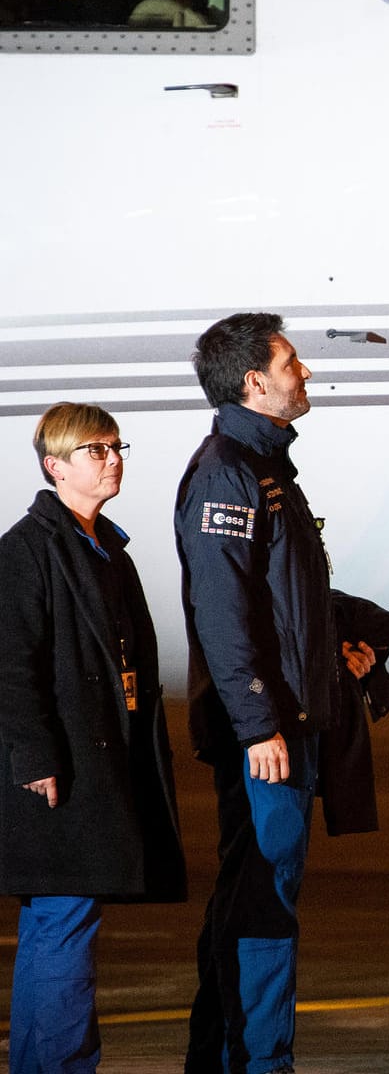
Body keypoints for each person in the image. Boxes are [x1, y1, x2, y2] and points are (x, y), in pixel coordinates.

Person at [175, 313, 379, 1074]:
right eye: (293, 363)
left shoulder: (265, 470)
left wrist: (339, 648)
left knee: (255, 897)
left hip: (288, 723)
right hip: (268, 737)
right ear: (255, 382)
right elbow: (223, 615)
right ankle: (258, 1062)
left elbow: (283, 600)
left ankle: (226, 1057)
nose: (307, 374)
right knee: (262, 904)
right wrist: (260, 723)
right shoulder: (228, 472)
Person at [0, 402, 186, 1074]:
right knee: (62, 921)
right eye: (95, 449)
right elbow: (10, 665)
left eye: (115, 445)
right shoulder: (28, 550)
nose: (113, 459)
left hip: (97, 764)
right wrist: (36, 757)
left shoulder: (103, 547)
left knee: (70, 921)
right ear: (56, 466)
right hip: (58, 773)